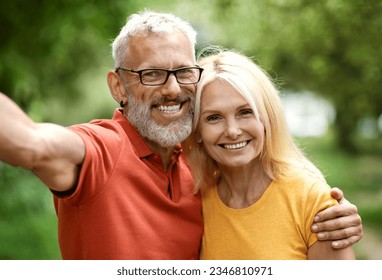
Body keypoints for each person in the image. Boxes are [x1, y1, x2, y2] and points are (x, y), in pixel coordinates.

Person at [0, 10, 361, 260]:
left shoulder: (200, 171)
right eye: (152, 74)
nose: (172, 89)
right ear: (118, 86)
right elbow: (31, 142)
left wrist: (330, 212)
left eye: (183, 72)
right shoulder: (102, 150)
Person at [183, 48, 356, 259]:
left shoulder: (312, 199)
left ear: (267, 118)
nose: (233, 131)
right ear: (197, 131)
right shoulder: (198, 198)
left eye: (245, 112)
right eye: (214, 118)